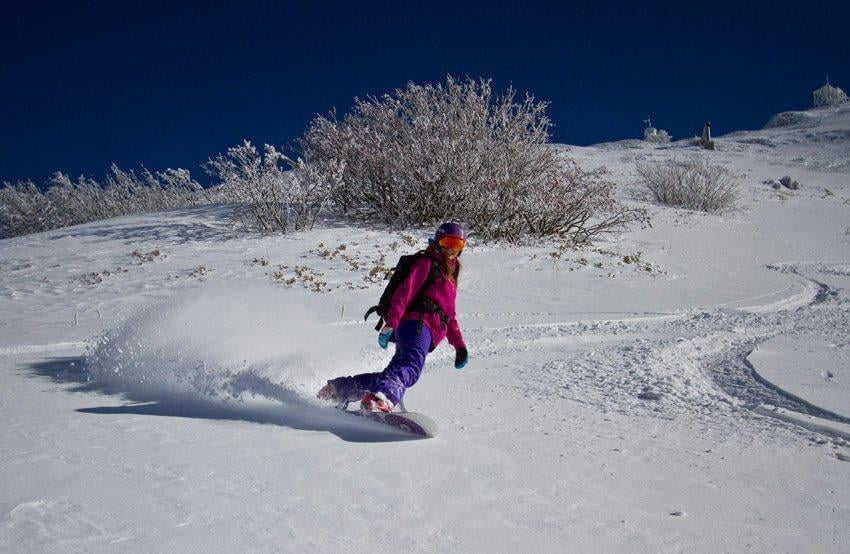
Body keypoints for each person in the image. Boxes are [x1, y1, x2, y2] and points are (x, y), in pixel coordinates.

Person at [318, 222, 469, 412]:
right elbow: (404, 294)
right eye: (447, 242)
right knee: (411, 369)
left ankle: (339, 390)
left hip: (421, 328)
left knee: (389, 375)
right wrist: (391, 324)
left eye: (457, 245)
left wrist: (459, 345)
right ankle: (383, 398)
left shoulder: (450, 274)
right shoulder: (428, 263)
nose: (451, 249)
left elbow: (450, 315)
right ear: (438, 241)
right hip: (418, 326)